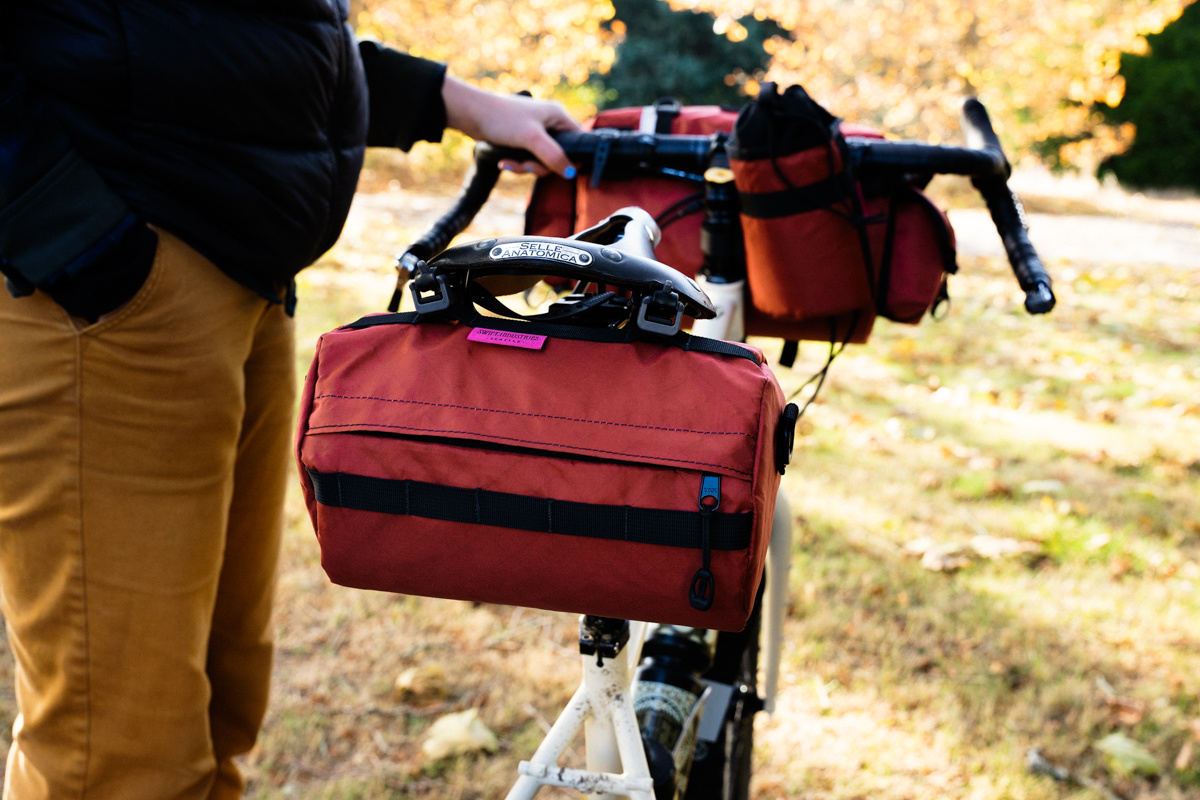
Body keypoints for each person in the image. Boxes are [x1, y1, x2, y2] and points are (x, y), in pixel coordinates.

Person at [0, 1, 580, 797]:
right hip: (108, 294)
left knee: (220, 701)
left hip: (235, 281)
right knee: (118, 753)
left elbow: (261, 45)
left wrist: (464, 104)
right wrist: (75, 240)